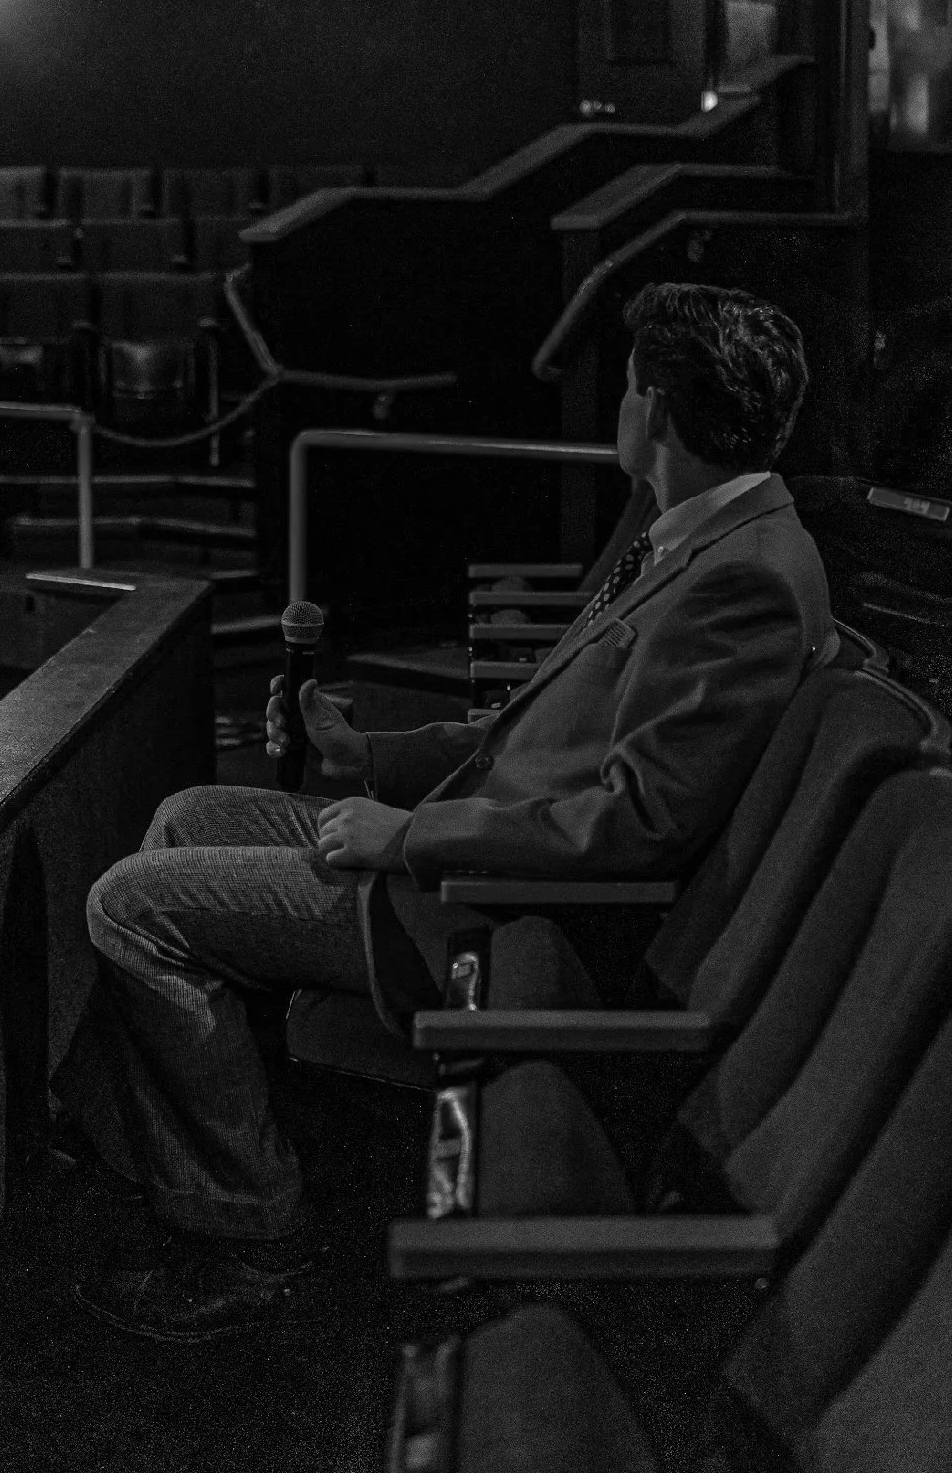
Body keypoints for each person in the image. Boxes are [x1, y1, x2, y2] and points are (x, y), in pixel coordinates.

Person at [53, 281, 836, 1341]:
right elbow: (537, 734)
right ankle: (160, 1140)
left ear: (652, 408)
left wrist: (408, 836)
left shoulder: (740, 578)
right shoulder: (696, 536)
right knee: (190, 814)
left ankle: (252, 1224)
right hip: (477, 851)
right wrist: (368, 756)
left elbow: (636, 824)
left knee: (127, 907)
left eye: (624, 387)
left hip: (497, 904)